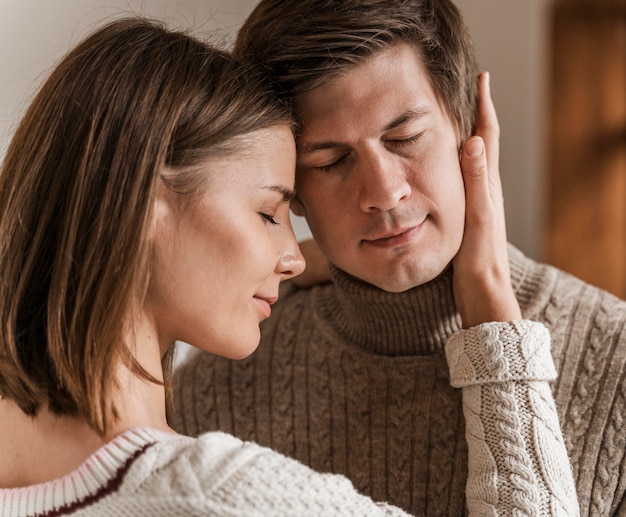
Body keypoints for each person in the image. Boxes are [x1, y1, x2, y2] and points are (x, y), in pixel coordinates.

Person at [0, 15, 577, 517]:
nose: (296, 256)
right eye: (270, 212)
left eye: (403, 137)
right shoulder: (225, 493)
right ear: (139, 206)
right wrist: (495, 313)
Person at [170, 0, 626, 516]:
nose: (384, 192)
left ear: (470, 127)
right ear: (290, 186)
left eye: (404, 138)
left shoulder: (616, 362)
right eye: (332, 161)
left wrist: (490, 315)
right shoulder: (217, 388)